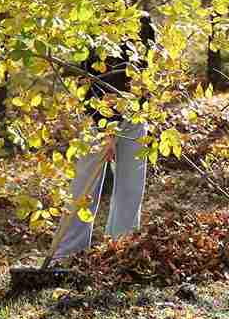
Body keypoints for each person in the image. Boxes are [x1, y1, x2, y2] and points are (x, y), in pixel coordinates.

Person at [52, 15, 156, 261]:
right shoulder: (95, 28)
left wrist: (142, 110)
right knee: (84, 185)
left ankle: (120, 248)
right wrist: (108, 130)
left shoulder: (144, 25)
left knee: (131, 185)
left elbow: (145, 74)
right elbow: (98, 82)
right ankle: (65, 253)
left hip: (134, 115)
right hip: (98, 118)